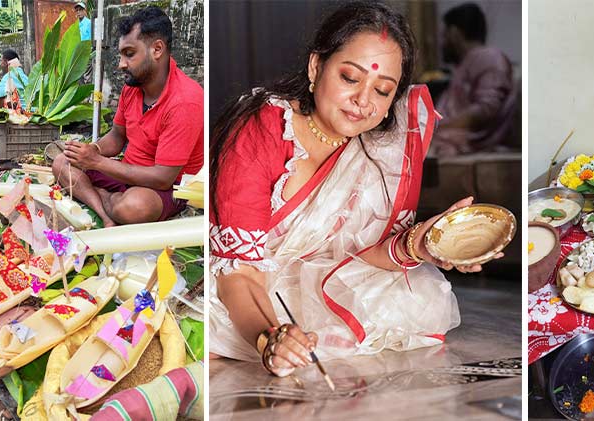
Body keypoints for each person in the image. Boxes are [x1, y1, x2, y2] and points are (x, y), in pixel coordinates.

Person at [209, 1, 502, 377]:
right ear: (317, 67)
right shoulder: (262, 128)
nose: (364, 102)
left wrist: (422, 244)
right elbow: (239, 273)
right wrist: (270, 337)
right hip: (244, 287)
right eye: (350, 78)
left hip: (320, 279)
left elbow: (364, 255)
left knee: (413, 293)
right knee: (219, 320)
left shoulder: (378, 146)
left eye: (382, 90)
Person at [52, 6, 203, 227]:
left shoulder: (185, 101)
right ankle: (105, 211)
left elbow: (162, 178)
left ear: (157, 49)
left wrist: (97, 162)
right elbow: (116, 136)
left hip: (167, 189)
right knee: (61, 162)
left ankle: (101, 198)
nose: (121, 64)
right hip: (126, 171)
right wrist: (92, 150)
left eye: (129, 54)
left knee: (133, 208)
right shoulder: (133, 87)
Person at [432, 2, 516, 156]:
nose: (442, 42)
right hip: (446, 140)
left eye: (444, 35)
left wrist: (438, 127)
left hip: (464, 144)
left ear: (454, 32)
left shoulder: (489, 57)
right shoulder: (468, 62)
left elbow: (486, 109)